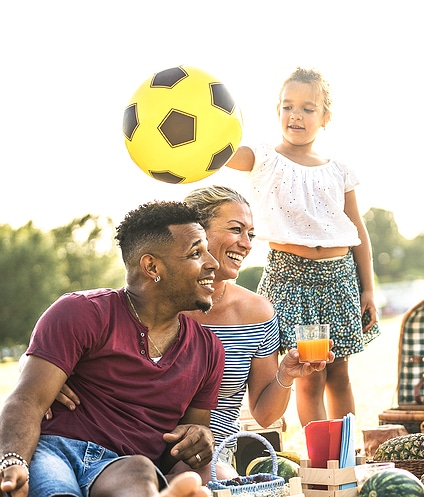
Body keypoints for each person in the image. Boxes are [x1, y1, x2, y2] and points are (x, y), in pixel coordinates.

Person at [0, 201, 225, 497]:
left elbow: (181, 447)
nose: (213, 263)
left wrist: (200, 441)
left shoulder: (208, 350)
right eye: (196, 253)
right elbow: (27, 400)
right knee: (57, 490)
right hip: (55, 449)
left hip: (124, 464)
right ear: (152, 266)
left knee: (141, 472)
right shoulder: (81, 312)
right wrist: (13, 460)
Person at [224, 66, 380, 425]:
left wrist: (368, 288)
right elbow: (224, 153)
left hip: (339, 279)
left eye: (308, 108)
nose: (296, 115)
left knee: (339, 375)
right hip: (291, 278)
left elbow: (358, 232)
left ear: (325, 117)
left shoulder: (339, 169)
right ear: (277, 110)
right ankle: (323, 463)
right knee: (310, 376)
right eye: (287, 106)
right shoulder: (263, 157)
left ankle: (346, 458)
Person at [181, 185, 335, 479]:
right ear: (196, 232)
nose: (247, 244)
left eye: (249, 234)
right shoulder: (160, 305)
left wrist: (286, 374)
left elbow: (264, 415)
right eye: (236, 229)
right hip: (147, 447)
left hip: (216, 460)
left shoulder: (257, 313)